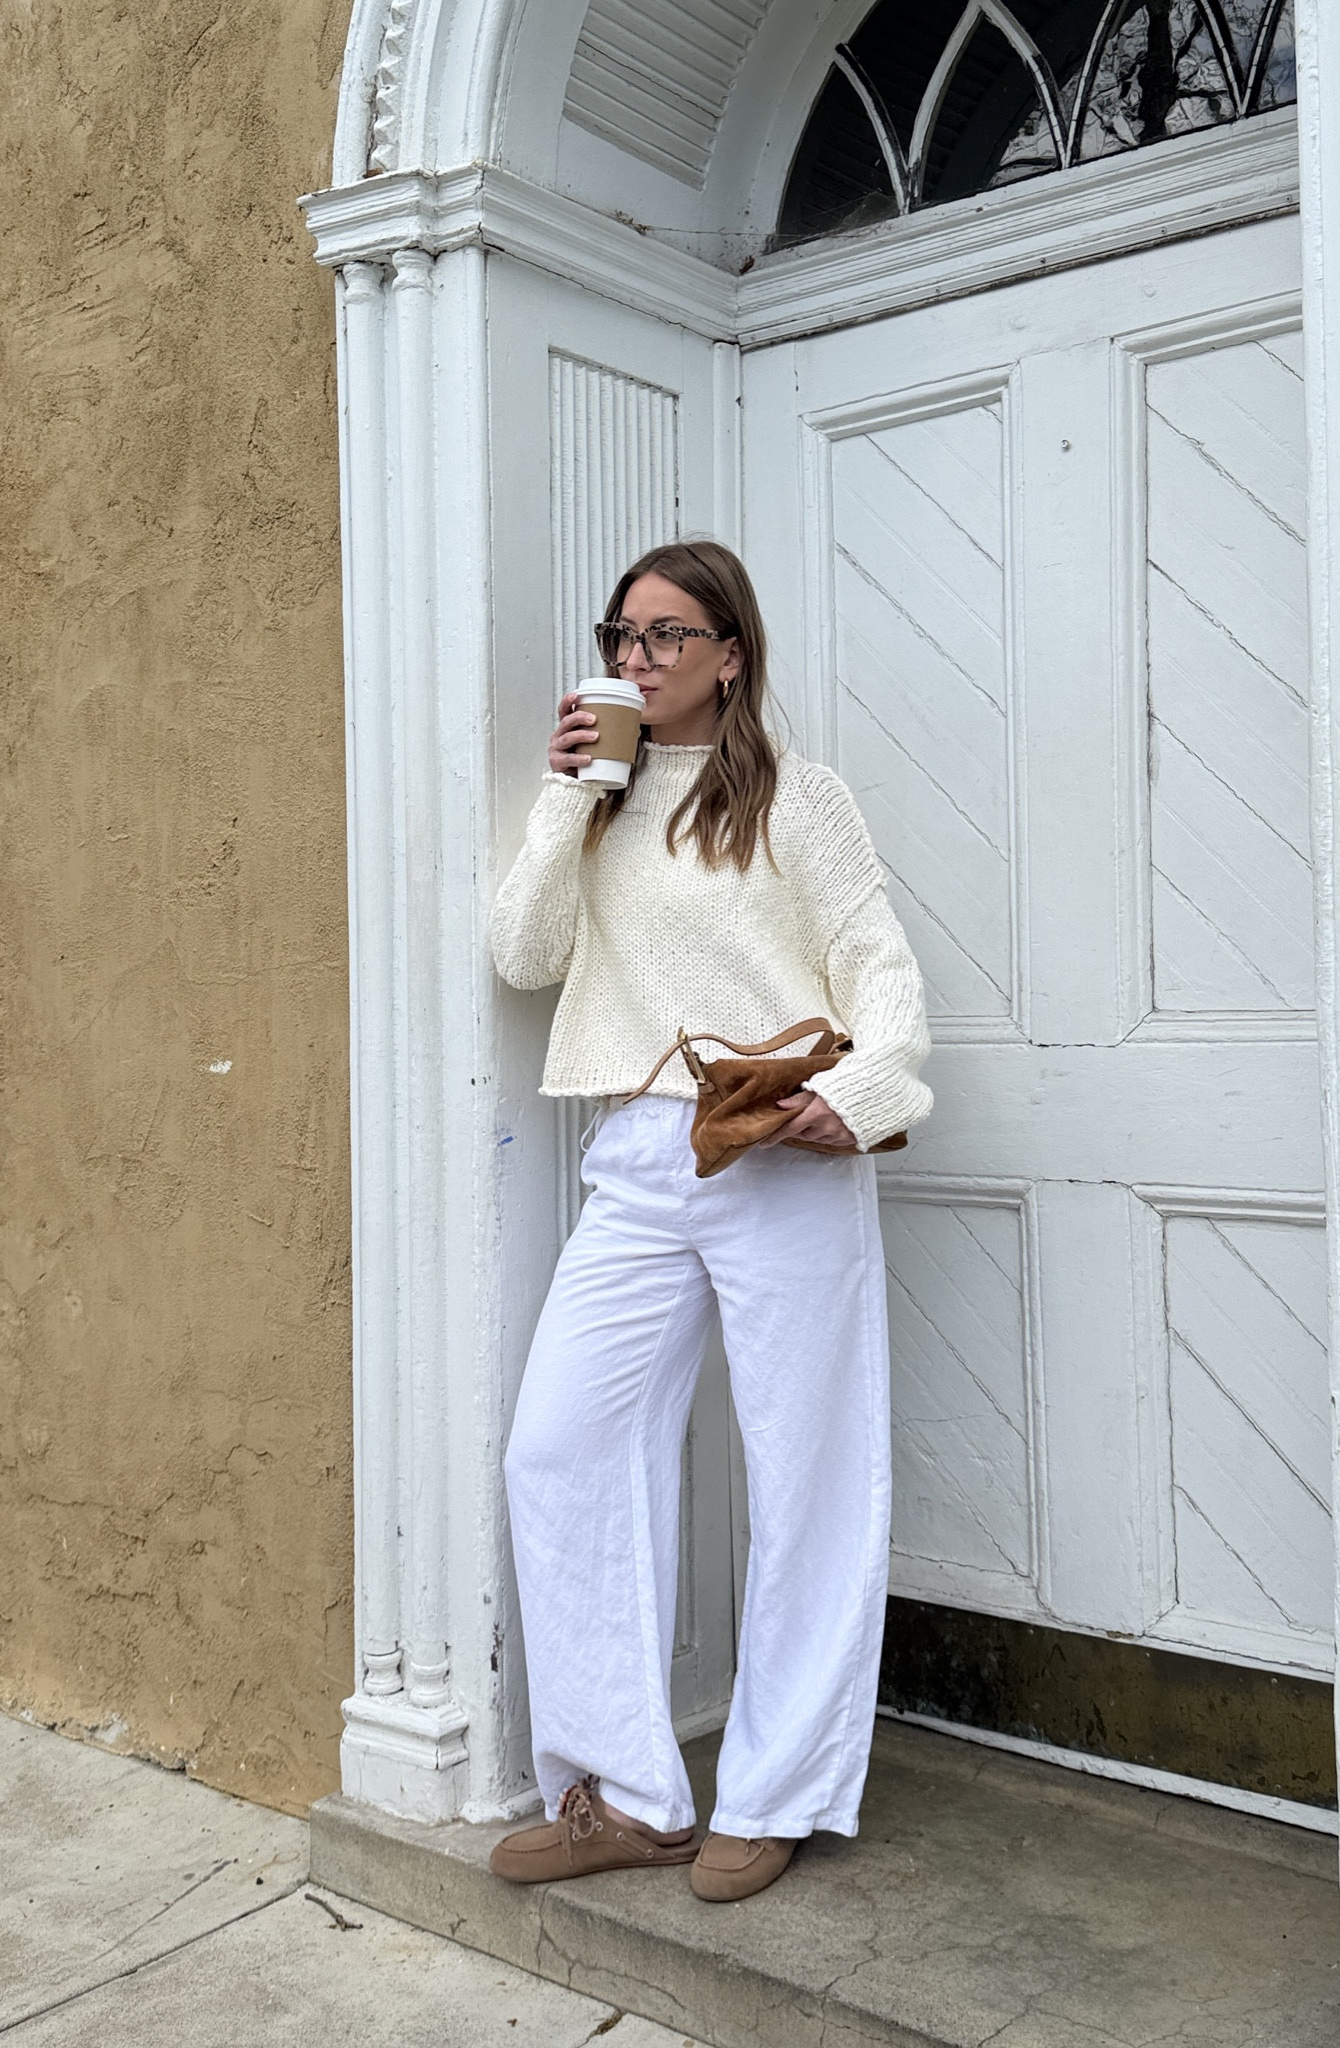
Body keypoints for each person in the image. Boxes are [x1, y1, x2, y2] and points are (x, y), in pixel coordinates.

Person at [487, 540, 931, 1903]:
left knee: (808, 1469)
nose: (638, 658)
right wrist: (570, 796)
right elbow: (523, 955)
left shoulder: (801, 798)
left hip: (775, 1145)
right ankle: (624, 1793)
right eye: (622, 635)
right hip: (637, 1151)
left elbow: (878, 965)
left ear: (731, 655)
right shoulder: (597, 805)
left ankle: (777, 1790)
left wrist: (862, 1091)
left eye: (668, 635)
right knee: (560, 1447)